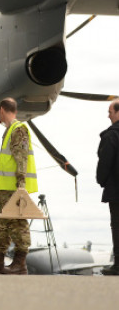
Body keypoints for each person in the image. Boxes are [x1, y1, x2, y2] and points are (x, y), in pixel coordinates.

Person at [0, 98, 37, 275]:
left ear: (2, 110)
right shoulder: (10, 130)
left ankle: (20, 263)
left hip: (14, 188)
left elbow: (21, 158)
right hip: (4, 188)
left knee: (18, 224)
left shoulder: (18, 129)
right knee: (1, 226)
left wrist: (21, 186)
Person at [96, 99, 119, 276]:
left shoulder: (111, 135)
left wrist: (103, 181)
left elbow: (105, 163)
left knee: (117, 226)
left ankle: (118, 265)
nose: (108, 115)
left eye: (110, 111)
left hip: (116, 190)